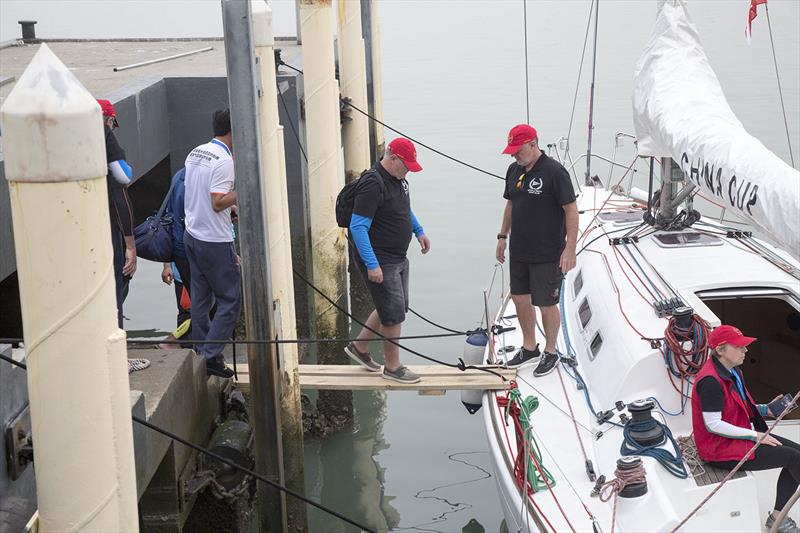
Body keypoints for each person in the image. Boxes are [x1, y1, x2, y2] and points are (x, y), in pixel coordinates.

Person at [691, 325, 800, 533]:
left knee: (797, 454)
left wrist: (767, 409)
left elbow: (738, 405)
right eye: (740, 347)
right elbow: (713, 424)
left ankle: (778, 518)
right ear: (721, 349)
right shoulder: (711, 382)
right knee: (793, 458)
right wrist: (755, 435)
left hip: (739, 435)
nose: (746, 351)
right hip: (719, 449)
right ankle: (779, 520)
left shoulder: (733, 372)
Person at [345, 138, 431, 384]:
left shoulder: (398, 179)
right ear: (393, 158)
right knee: (393, 315)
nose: (408, 171)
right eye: (406, 165)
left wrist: (418, 230)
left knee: (393, 307)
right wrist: (372, 264)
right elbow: (358, 227)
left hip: (397, 257)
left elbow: (404, 209)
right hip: (380, 258)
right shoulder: (373, 183)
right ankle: (393, 367)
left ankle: (359, 347)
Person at [495, 124, 578, 376]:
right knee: (520, 298)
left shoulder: (555, 172)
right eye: (512, 152)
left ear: (533, 144)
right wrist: (502, 236)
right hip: (520, 249)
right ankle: (529, 347)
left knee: (546, 303)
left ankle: (551, 351)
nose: (514, 156)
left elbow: (571, 210)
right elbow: (511, 203)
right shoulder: (514, 170)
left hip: (547, 251)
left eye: (518, 151)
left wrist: (570, 248)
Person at [183, 109, 239, 378]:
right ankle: (211, 355)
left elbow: (200, 193)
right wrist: (243, 190)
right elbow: (217, 202)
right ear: (233, 130)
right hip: (215, 240)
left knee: (201, 300)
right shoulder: (224, 161)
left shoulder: (196, 152)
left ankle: (203, 351)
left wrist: (231, 208)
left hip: (192, 234)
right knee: (230, 299)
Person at [98, 99, 136, 328]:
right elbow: (123, 179)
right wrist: (130, 244)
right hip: (109, 233)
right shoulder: (105, 137)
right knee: (117, 289)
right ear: (110, 120)